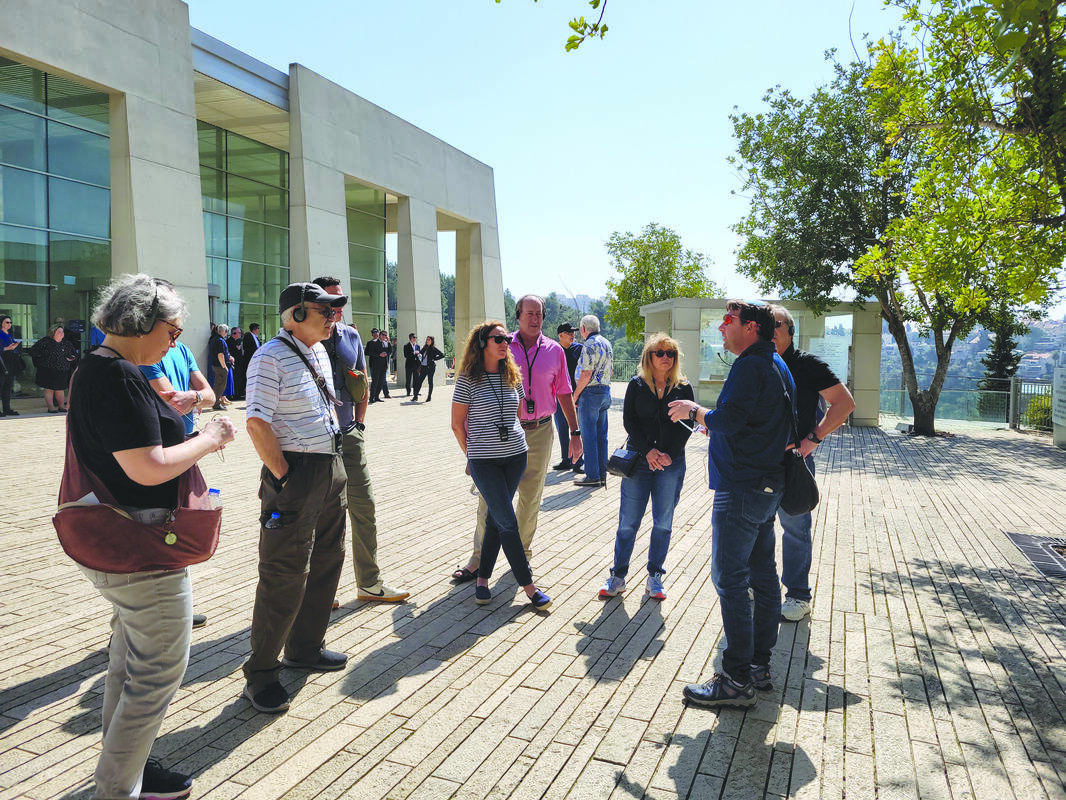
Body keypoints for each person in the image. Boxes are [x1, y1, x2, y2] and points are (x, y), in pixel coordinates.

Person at [68, 273, 236, 800]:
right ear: (145, 323)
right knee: (156, 673)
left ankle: (131, 771)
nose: (176, 341)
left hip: (118, 536)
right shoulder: (119, 377)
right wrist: (209, 439)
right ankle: (117, 788)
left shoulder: (98, 368)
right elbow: (147, 468)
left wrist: (171, 416)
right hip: (142, 545)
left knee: (128, 662)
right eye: (173, 331)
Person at [667, 300, 793, 708]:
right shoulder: (776, 363)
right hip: (767, 487)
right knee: (762, 576)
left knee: (730, 579)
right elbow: (751, 422)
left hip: (741, 489)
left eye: (728, 321)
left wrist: (696, 411)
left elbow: (729, 419)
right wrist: (720, 427)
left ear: (752, 327)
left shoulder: (750, 365)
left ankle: (736, 679)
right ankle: (758, 665)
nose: (721, 328)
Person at [242, 282, 350, 714]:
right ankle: (262, 672)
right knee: (284, 572)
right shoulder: (269, 356)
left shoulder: (318, 350)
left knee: (328, 559)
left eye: (333, 310)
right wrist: (284, 477)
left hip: (329, 468)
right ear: (296, 314)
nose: (332, 316)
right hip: (296, 473)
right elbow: (256, 424)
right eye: (324, 309)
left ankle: (304, 647)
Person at [451, 295, 582, 582]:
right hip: (503, 434)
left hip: (540, 431)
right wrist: (473, 452)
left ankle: (521, 556)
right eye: (529, 313)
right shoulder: (501, 344)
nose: (534, 319)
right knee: (490, 500)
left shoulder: (555, 351)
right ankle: (477, 560)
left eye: (539, 314)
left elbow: (564, 392)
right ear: (518, 316)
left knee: (531, 498)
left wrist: (574, 432)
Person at [312, 276, 409, 604]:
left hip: (349, 434)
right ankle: (318, 588)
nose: (337, 307)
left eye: (341, 301)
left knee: (364, 508)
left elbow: (362, 383)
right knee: (321, 516)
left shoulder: (351, 336)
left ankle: (369, 582)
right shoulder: (306, 340)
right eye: (330, 301)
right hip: (315, 442)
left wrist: (359, 425)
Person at [451, 321, 552, 610]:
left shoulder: (512, 375)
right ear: (482, 343)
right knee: (508, 521)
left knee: (497, 518)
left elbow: (517, 412)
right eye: (498, 338)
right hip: (484, 460)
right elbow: (457, 425)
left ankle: (482, 579)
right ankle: (529, 587)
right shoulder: (468, 379)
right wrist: (471, 455)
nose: (505, 342)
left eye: (507, 337)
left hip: (516, 456)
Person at [769, 305, 855, 622]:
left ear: (790, 330)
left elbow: (844, 404)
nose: (769, 328)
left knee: (795, 529)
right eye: (764, 324)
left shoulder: (807, 364)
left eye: (776, 324)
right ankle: (756, 587)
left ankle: (797, 596)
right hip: (757, 462)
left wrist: (813, 440)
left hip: (794, 463)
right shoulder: (755, 363)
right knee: (756, 528)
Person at [599, 334, 694, 601]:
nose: (666, 357)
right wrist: (649, 451)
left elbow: (689, 426)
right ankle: (618, 576)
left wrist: (669, 454)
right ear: (649, 357)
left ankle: (655, 577)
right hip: (640, 462)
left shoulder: (683, 388)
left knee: (663, 523)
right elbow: (630, 422)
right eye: (660, 352)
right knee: (628, 523)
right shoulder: (637, 385)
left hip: (670, 464)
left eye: (671, 353)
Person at [140, 338, 219, 630]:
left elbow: (209, 394)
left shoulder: (182, 348)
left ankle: (178, 605)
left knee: (179, 522)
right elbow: (170, 399)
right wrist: (195, 397)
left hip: (183, 443)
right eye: (171, 326)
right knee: (155, 529)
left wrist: (195, 398)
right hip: (159, 447)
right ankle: (129, 626)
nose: (174, 335)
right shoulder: (147, 350)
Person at [571, 314, 614, 488]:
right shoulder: (607, 343)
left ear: (583, 328)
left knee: (588, 436)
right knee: (601, 436)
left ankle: (592, 475)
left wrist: (575, 394)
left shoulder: (589, 344)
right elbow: (610, 371)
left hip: (590, 393)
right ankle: (602, 474)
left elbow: (586, 373)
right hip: (605, 391)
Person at [552, 322, 584, 472]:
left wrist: (579, 394)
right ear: (561, 335)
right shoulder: (553, 351)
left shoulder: (579, 349)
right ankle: (566, 460)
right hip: (558, 397)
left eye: (573, 332)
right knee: (562, 428)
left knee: (576, 429)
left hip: (575, 396)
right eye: (569, 333)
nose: (573, 335)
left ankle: (578, 462)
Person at [30, 323, 76, 413]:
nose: (61, 334)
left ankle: (61, 406)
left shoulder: (66, 343)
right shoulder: (45, 341)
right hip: (47, 369)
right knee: (49, 389)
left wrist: (71, 358)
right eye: (59, 332)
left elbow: (74, 354)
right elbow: (33, 351)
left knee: (60, 388)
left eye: (62, 332)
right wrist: (41, 360)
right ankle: (51, 407)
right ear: (53, 332)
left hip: (62, 370)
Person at [207, 324, 234, 410]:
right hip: (220, 366)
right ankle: (216, 403)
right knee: (220, 386)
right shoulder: (220, 340)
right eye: (226, 331)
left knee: (217, 385)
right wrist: (224, 366)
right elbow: (220, 355)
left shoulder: (214, 339)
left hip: (215, 365)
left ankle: (215, 402)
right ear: (224, 332)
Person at [0, 315, 23, 416]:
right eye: (7, 322)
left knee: (8, 387)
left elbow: (12, 347)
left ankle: (6, 408)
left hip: (10, 363)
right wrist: (7, 349)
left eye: (10, 322)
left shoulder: (9, 334)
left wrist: (14, 347)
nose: (9, 324)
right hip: (2, 363)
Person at [412, 335, 445, 401]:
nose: (427, 341)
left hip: (431, 367)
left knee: (430, 381)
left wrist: (434, 358)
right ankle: (415, 396)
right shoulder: (424, 347)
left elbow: (442, 355)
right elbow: (420, 354)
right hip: (423, 367)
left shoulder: (433, 349)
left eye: (429, 340)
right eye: (427, 339)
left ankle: (429, 396)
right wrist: (417, 354)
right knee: (419, 381)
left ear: (432, 341)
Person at [365, 328, 389, 403]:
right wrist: (379, 354)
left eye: (386, 335)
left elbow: (389, 351)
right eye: (383, 335)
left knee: (381, 382)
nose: (384, 336)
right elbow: (369, 352)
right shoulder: (373, 343)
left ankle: (377, 396)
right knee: (375, 382)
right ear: (380, 335)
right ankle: (371, 397)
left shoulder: (385, 343)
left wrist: (388, 342)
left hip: (383, 366)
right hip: (375, 365)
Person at [229, 326, 246, 400]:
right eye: (238, 332)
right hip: (233, 364)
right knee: (235, 379)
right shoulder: (229, 341)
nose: (240, 334)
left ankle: (239, 393)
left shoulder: (239, 341)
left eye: (240, 332)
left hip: (240, 364)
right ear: (233, 333)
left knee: (239, 378)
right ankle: (234, 394)